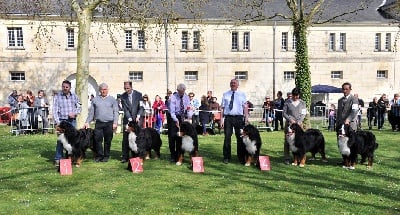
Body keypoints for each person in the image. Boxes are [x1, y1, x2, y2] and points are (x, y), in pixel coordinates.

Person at [84, 83, 119, 162]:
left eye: (105, 89)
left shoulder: (112, 99)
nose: (103, 91)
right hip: (99, 123)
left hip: (109, 123)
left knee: (108, 140)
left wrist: (115, 122)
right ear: (99, 90)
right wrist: (87, 122)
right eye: (102, 89)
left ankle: (106, 156)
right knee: (97, 140)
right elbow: (91, 113)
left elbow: (116, 112)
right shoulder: (95, 99)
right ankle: (99, 156)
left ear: (107, 90)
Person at [52, 80, 82, 167]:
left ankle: (73, 158)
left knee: (73, 142)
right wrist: (58, 122)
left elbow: (79, 107)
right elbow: (54, 110)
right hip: (62, 122)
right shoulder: (57, 97)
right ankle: (58, 159)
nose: (65, 88)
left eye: (66, 87)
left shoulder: (74, 96)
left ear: (70, 88)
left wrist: (75, 113)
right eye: (63, 86)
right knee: (60, 142)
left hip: (72, 122)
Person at [221, 79, 248, 164]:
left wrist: (246, 117)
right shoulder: (225, 94)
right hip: (228, 118)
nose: (233, 84)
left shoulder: (242, 94)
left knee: (240, 137)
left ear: (237, 85)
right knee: (227, 137)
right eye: (231, 83)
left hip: (239, 118)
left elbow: (245, 107)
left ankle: (241, 157)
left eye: (234, 83)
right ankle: (226, 157)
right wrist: (221, 119)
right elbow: (222, 108)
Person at [167, 83, 192, 163]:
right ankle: (172, 155)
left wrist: (189, 117)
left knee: (180, 137)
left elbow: (189, 108)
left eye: (183, 91)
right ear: (177, 90)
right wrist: (176, 120)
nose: (182, 93)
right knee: (172, 136)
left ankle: (179, 154)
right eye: (180, 91)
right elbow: (172, 111)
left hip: (182, 117)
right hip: (173, 117)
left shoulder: (186, 97)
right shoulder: (173, 97)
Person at [120, 81, 143, 163]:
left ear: (131, 87)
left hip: (137, 120)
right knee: (126, 139)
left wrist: (138, 116)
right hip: (128, 119)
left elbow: (141, 107)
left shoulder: (139, 94)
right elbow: (125, 109)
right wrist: (129, 118)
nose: (126, 90)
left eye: (128, 88)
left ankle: (139, 155)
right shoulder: (123, 96)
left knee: (139, 138)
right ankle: (125, 157)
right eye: (125, 88)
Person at [282, 87, 307, 165]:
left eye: (297, 95)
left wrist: (300, 121)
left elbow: (303, 113)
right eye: (294, 95)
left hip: (299, 125)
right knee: (287, 142)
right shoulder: (287, 102)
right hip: (289, 125)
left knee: (300, 142)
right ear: (292, 95)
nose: (295, 97)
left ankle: (300, 157)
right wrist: (290, 119)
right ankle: (287, 158)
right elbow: (284, 113)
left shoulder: (302, 103)